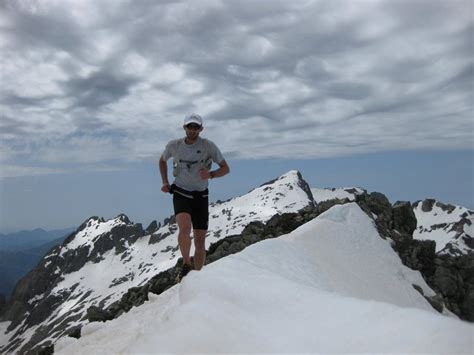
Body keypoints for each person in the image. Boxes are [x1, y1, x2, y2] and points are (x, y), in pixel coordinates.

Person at [159, 113, 230, 280]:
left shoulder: (208, 146)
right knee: (184, 230)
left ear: (201, 129)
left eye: (196, 127)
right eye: (189, 126)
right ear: (184, 127)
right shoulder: (174, 145)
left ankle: (198, 277)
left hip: (201, 195)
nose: (192, 130)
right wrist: (165, 181)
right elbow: (162, 161)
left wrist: (211, 175)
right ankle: (185, 264)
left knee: (200, 241)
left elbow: (225, 168)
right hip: (180, 192)